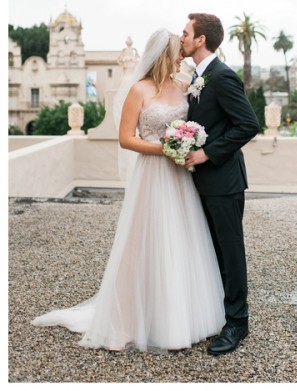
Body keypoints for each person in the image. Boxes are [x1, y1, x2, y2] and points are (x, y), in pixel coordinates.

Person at [32, 29, 225, 351]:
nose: (182, 56)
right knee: (146, 241)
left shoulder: (183, 86)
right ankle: (130, 318)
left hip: (180, 175)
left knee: (182, 237)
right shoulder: (139, 90)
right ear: (163, 54)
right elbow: (127, 139)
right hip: (153, 172)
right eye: (178, 51)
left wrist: (187, 143)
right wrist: (165, 149)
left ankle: (182, 315)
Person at [180, 13, 260, 355]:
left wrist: (206, 154)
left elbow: (248, 125)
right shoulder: (198, 76)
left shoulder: (222, 76)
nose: (181, 37)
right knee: (211, 250)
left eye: (185, 33)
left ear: (200, 40)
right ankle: (218, 313)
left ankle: (237, 324)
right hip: (203, 182)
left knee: (230, 252)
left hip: (224, 181)